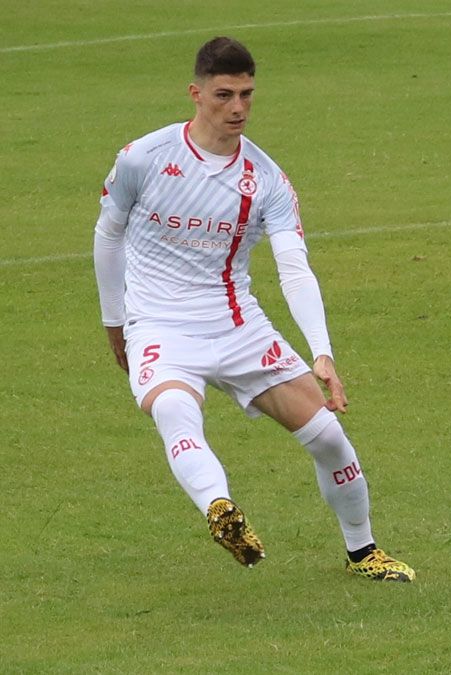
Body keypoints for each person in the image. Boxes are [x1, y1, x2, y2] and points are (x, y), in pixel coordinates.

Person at [92, 37, 414, 582]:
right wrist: (115, 323)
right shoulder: (143, 158)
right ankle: (221, 509)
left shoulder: (266, 179)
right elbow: (108, 235)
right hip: (161, 324)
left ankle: (364, 553)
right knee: (173, 409)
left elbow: (294, 265)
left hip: (238, 326)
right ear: (196, 94)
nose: (237, 107)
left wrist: (322, 352)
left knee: (331, 438)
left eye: (246, 94)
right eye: (224, 94)